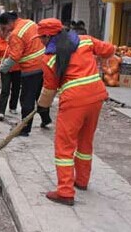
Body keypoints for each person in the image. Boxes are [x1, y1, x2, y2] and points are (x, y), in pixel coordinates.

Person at [35, 18, 115, 206]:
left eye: (41, 38)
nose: (40, 42)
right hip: (96, 96)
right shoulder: (85, 40)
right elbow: (109, 49)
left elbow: (50, 87)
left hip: (73, 100)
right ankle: (82, 181)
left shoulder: (49, 58)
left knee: (64, 146)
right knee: (85, 141)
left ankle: (65, 191)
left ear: (48, 36)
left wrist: (42, 106)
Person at [0, 11, 51, 136]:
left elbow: (15, 56)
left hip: (31, 69)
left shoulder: (15, 34)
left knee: (27, 99)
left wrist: (2, 67)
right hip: (45, 63)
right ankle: (46, 119)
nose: (5, 30)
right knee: (40, 96)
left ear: (10, 23)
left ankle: (25, 128)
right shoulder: (30, 23)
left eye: (4, 27)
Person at [0, 26, 21, 121]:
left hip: (17, 68)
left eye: (0, 33)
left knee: (16, 88)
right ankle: (1, 112)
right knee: (5, 89)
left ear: (6, 32)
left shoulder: (14, 41)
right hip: (5, 69)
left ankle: (13, 107)